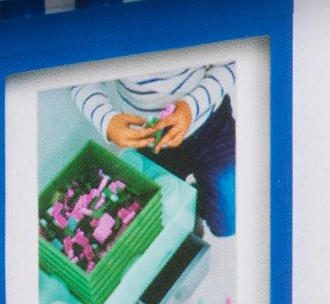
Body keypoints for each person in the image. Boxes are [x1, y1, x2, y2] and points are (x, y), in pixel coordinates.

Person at [76, 60, 237, 241]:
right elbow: (79, 78)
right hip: (151, 141)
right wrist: (107, 121)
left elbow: (231, 63)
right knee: (156, 217)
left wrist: (192, 107)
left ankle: (202, 197)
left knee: (229, 222)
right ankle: (191, 205)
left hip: (211, 123)